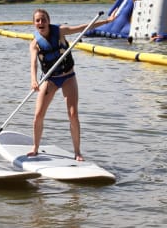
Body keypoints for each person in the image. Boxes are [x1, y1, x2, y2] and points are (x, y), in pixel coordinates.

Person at [28, 9, 115, 161]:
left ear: (48, 21)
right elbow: (33, 64)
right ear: (34, 23)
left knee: (73, 114)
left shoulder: (60, 31)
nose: (41, 23)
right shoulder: (34, 44)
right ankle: (35, 147)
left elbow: (83, 27)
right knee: (38, 115)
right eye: (38, 20)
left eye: (43, 20)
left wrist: (107, 21)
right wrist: (33, 80)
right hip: (50, 79)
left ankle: (77, 152)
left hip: (68, 77)